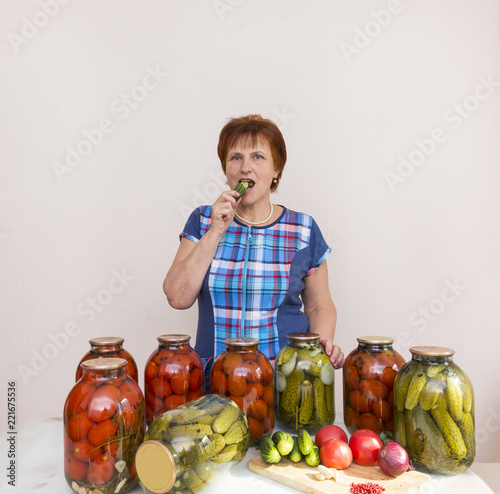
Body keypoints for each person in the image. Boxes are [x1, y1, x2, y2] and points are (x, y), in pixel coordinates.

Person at [164, 114, 344, 387]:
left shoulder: (303, 228)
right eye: (235, 157)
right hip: (216, 381)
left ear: (276, 170)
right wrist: (215, 231)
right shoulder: (203, 221)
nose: (245, 168)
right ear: (226, 170)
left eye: (257, 157)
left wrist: (317, 357)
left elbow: (320, 305)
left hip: (284, 381)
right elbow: (177, 297)